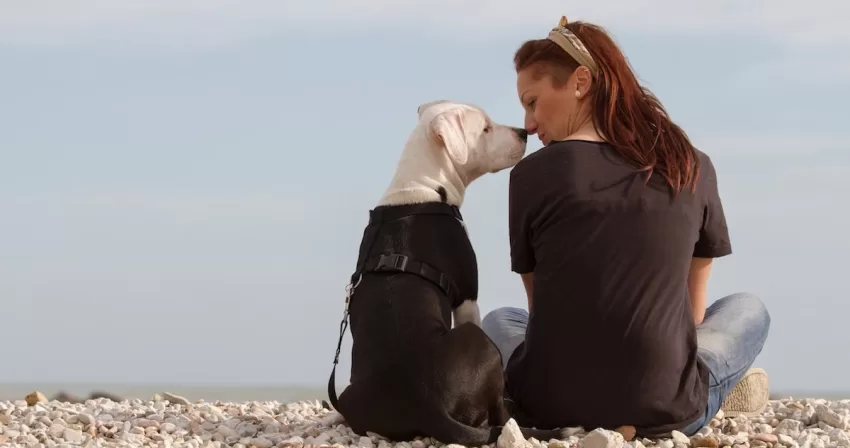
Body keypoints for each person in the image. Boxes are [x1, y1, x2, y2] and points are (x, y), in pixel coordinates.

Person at [481, 16, 771, 438]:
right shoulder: (690, 164)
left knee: (500, 319)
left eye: (532, 102)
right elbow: (693, 315)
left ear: (580, 83)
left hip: (550, 405)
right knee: (748, 309)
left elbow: (541, 310)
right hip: (666, 405)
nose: (528, 123)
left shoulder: (530, 175)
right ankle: (717, 386)